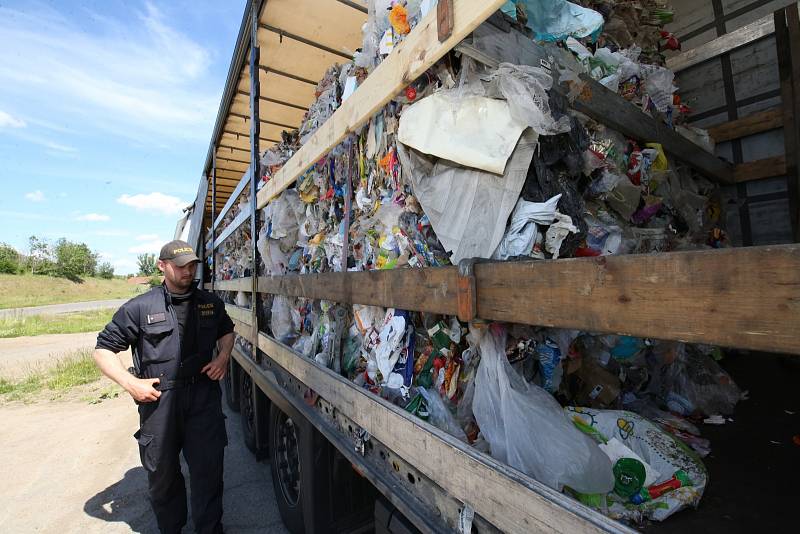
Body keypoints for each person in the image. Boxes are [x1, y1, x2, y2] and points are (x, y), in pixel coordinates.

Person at [94, 240, 235, 534]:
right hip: (159, 401)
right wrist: (130, 382)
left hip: (203, 397)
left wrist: (222, 357)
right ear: (162, 266)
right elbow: (103, 349)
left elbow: (227, 332)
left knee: (209, 472)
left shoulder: (210, 303)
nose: (188, 271)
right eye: (181, 266)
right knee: (163, 477)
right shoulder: (140, 308)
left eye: (192, 265)